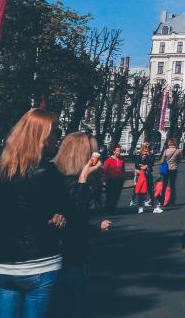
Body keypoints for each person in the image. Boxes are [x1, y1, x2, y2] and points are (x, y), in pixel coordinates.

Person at [0, 109, 70, 318]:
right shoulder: (49, 172)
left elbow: (2, 213)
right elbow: (66, 208)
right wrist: (60, 214)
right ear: (42, 135)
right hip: (41, 258)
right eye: (54, 132)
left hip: (6, 260)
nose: (57, 137)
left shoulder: (3, 171)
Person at [52, 132, 111, 318]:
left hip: (60, 252)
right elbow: (75, 219)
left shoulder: (57, 175)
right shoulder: (72, 181)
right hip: (69, 253)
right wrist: (97, 229)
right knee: (72, 304)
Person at [132, 144, 157, 214]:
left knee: (151, 190)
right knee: (141, 191)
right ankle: (140, 207)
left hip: (148, 174)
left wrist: (146, 166)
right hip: (141, 175)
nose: (147, 149)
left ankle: (154, 206)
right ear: (142, 148)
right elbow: (136, 164)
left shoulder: (151, 155)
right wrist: (143, 166)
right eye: (145, 148)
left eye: (148, 148)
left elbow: (152, 163)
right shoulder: (138, 156)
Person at [102, 146, 125, 216]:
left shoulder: (121, 160)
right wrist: (104, 180)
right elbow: (105, 171)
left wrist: (123, 177)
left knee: (116, 195)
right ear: (114, 151)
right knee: (110, 195)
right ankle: (108, 210)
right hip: (111, 180)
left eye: (120, 151)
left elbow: (123, 170)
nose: (119, 152)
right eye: (118, 151)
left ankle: (113, 208)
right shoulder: (108, 160)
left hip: (119, 180)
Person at [160, 138, 182, 207]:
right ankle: (172, 201)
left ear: (169, 143)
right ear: (175, 143)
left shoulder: (166, 151)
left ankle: (162, 201)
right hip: (173, 169)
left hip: (166, 169)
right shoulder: (177, 151)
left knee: (164, 185)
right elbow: (179, 160)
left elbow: (162, 161)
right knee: (172, 186)